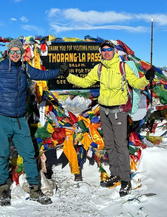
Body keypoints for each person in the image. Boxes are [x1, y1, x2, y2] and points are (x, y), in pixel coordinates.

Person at [0, 39, 67, 206]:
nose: (15, 54)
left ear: (21, 53)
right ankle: (3, 190)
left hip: (20, 119)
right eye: (12, 51)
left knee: (29, 153)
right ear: (8, 52)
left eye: (18, 52)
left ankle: (35, 190)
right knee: (3, 154)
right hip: (1, 118)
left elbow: (41, 75)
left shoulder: (25, 68)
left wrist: (59, 72)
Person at [60, 40, 155, 196]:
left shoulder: (122, 67)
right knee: (109, 145)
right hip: (104, 111)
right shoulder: (99, 68)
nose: (106, 52)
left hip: (119, 112)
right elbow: (84, 82)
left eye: (109, 49)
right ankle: (115, 174)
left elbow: (137, 83)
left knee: (121, 146)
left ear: (114, 51)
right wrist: (67, 75)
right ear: (101, 52)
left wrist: (146, 78)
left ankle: (126, 180)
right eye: (103, 50)